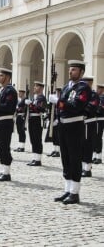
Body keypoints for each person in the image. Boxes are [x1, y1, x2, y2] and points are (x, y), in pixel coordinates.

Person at [50, 60, 91, 204]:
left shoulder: (83, 88)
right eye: (70, 69)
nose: (70, 72)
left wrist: (59, 102)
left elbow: (76, 105)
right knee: (65, 158)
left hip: (74, 127)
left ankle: (75, 192)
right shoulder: (67, 86)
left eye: (74, 69)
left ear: (81, 72)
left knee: (74, 158)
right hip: (63, 126)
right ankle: (67, 189)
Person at [0, 68, 18, 181]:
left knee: (4, 147)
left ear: (7, 77)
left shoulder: (10, 91)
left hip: (5, 123)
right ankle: (3, 170)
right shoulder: (3, 90)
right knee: (1, 147)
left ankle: (7, 173)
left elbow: (7, 107)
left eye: (1, 75)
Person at [81, 76, 99, 177]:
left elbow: (92, 107)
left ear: (89, 84)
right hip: (81, 123)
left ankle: (87, 169)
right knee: (81, 145)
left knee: (88, 145)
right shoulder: (82, 94)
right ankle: (82, 167)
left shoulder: (93, 95)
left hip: (89, 122)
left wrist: (80, 107)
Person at [25, 81, 47, 166]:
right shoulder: (35, 97)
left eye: (36, 86)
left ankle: (38, 159)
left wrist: (31, 104)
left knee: (37, 139)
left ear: (41, 88)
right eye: (34, 86)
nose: (34, 88)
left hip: (37, 119)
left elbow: (40, 109)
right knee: (33, 139)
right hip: (32, 119)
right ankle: (35, 158)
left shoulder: (41, 97)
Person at [45, 87, 61, 157]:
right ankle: (55, 150)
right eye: (57, 92)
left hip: (58, 121)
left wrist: (57, 120)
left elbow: (60, 111)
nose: (57, 93)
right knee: (54, 136)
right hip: (53, 120)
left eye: (59, 92)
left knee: (57, 137)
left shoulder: (60, 100)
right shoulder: (54, 100)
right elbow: (50, 109)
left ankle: (57, 151)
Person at [94, 84, 104, 164]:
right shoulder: (97, 97)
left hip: (100, 119)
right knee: (95, 137)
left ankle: (99, 156)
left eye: (99, 89)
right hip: (96, 119)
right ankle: (95, 155)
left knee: (98, 137)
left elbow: (100, 109)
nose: (97, 90)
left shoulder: (102, 98)